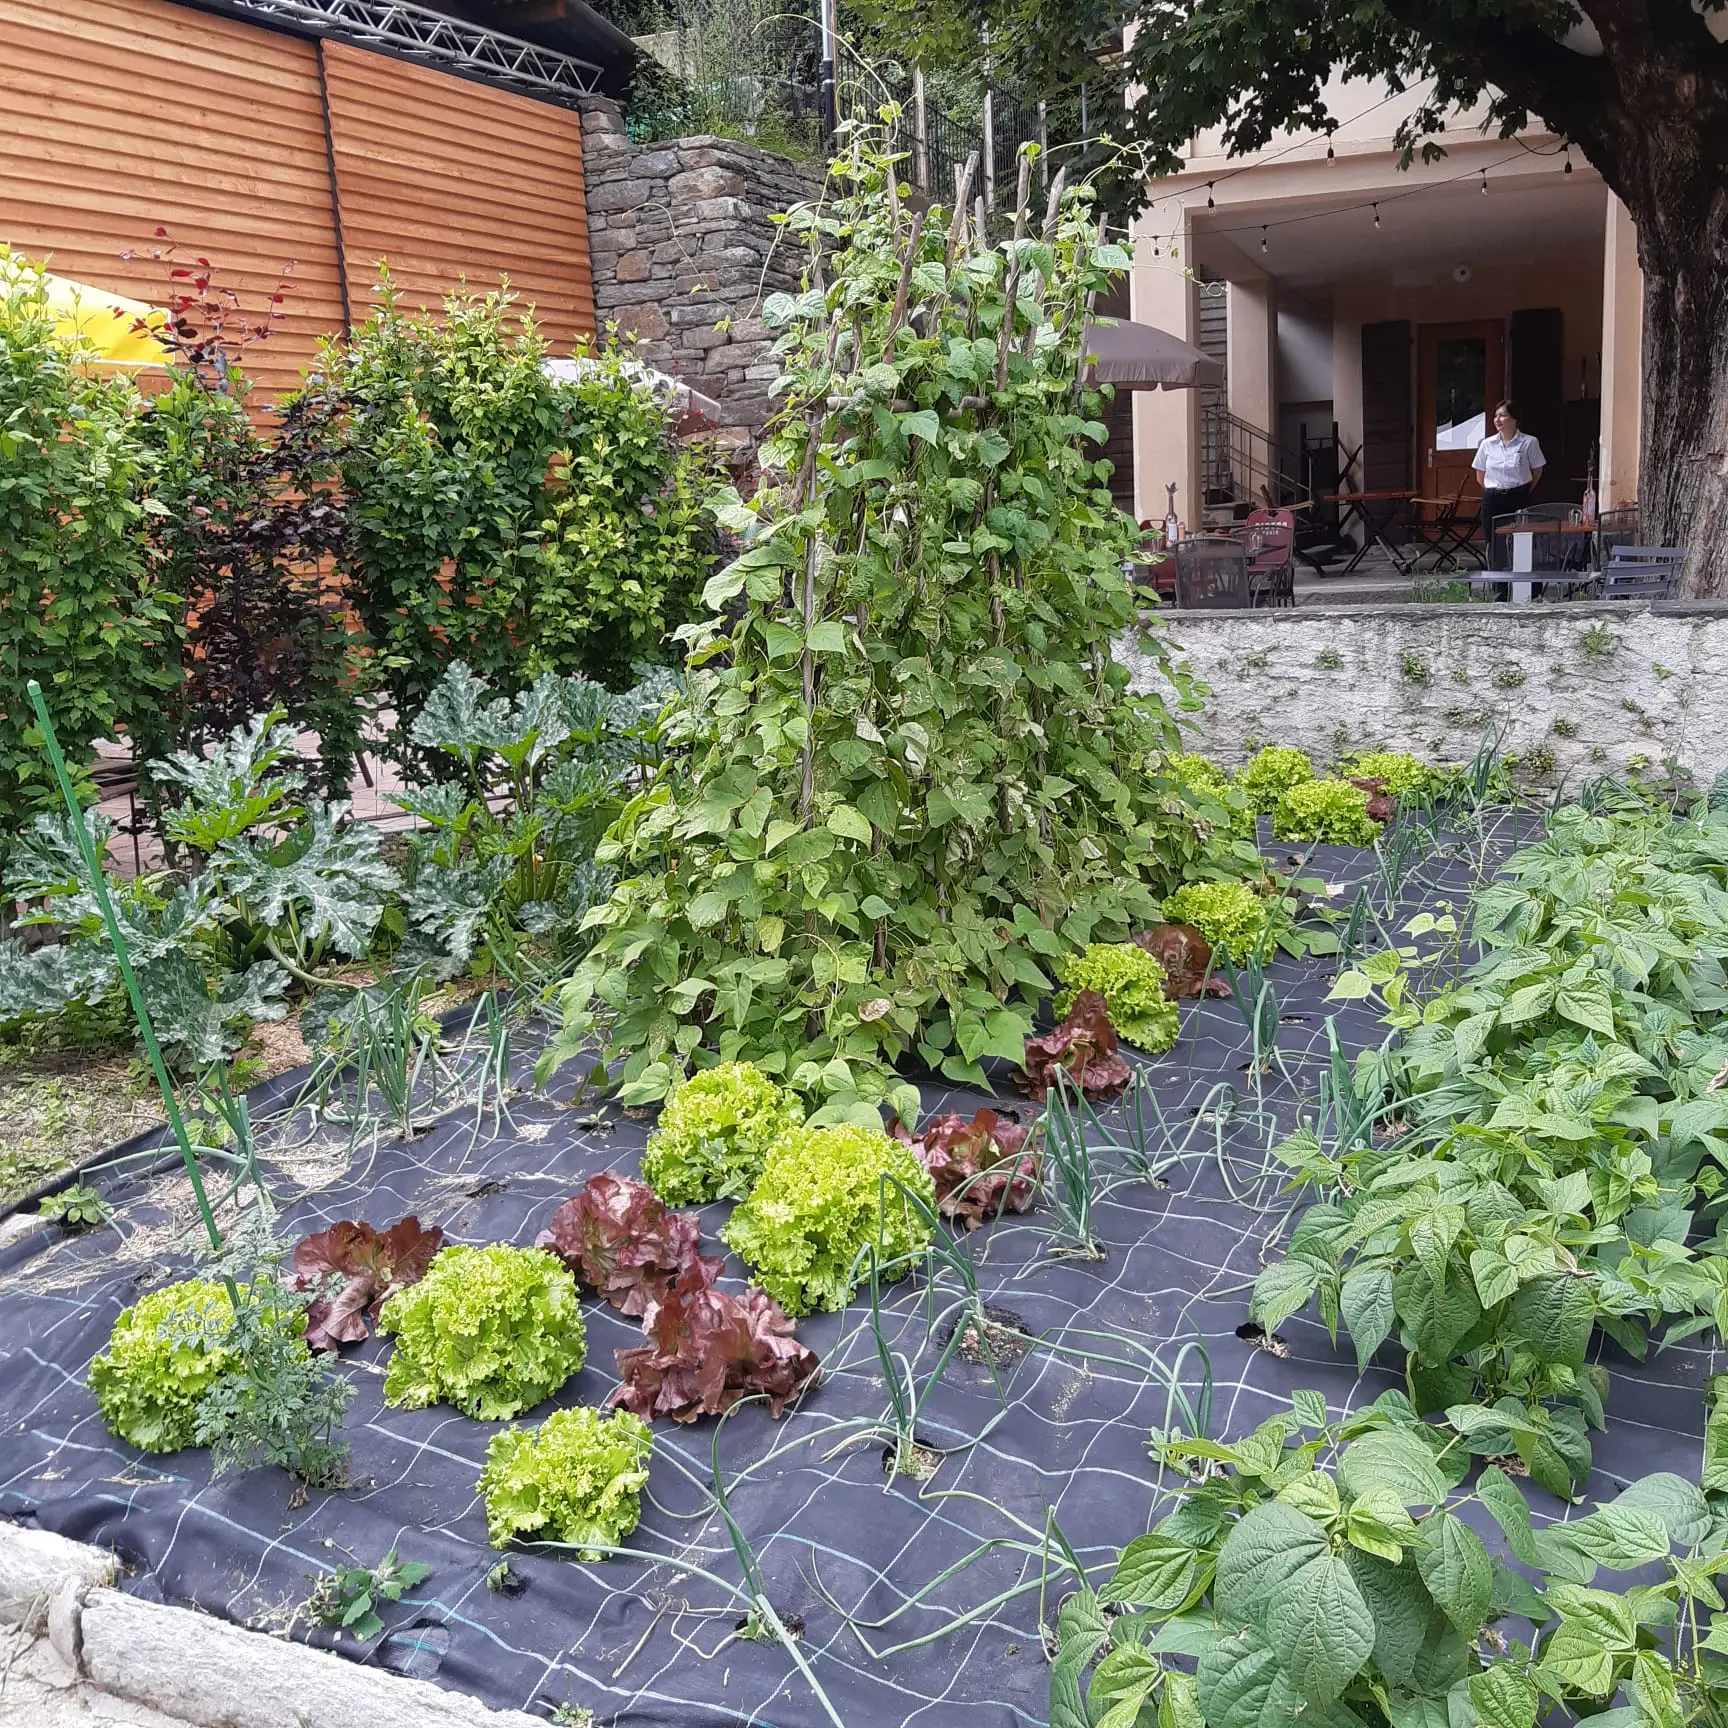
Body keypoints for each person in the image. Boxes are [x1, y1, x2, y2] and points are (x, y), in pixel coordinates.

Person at [1473, 399, 1546, 572]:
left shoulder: (1529, 442)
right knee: (1494, 544)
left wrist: (1521, 489)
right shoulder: (1487, 444)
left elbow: (1536, 472)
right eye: (1496, 416)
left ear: (1514, 419)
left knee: (1522, 541)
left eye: (1503, 415)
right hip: (1493, 498)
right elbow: (1480, 475)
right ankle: (1498, 589)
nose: (1498, 420)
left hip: (1519, 497)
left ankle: (1526, 586)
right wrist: (1496, 489)